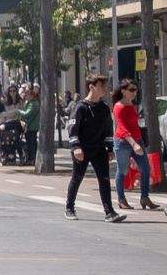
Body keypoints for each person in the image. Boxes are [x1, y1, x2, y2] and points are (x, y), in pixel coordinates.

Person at [64, 74, 123, 223]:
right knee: (77, 178)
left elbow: (108, 130)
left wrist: (109, 149)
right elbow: (73, 128)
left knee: (104, 180)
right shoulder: (80, 107)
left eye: (105, 85)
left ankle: (109, 212)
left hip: (99, 149)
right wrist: (76, 147)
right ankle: (69, 207)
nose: (105, 88)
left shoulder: (103, 108)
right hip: (82, 150)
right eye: (101, 85)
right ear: (91, 87)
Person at [113, 81, 157, 211]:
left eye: (136, 90)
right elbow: (122, 128)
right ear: (123, 90)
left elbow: (134, 125)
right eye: (131, 90)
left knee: (145, 168)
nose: (134, 92)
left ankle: (144, 197)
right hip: (123, 143)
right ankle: (121, 199)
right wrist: (133, 144)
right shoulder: (118, 107)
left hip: (137, 141)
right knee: (123, 171)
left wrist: (139, 141)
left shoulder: (132, 105)